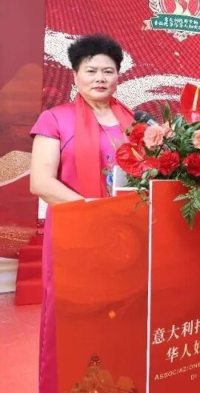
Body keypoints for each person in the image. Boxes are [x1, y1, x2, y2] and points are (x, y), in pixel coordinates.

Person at [29, 34, 135, 393]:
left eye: (108, 70)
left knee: (124, 319)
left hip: (128, 241)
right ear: (75, 75)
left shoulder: (134, 123)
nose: (100, 78)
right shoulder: (54, 119)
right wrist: (95, 213)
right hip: (76, 237)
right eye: (91, 70)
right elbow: (41, 182)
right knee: (72, 321)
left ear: (118, 75)